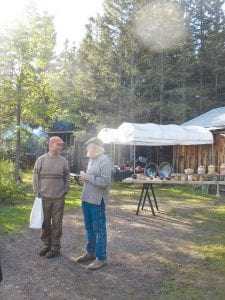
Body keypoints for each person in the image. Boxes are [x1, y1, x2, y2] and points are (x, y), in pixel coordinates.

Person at [76, 137, 111, 270]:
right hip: (86, 199)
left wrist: (87, 177)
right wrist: (84, 177)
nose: (86, 149)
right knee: (89, 228)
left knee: (99, 230)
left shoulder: (104, 160)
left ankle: (101, 258)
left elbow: (105, 182)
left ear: (95, 147)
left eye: (88, 146)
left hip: (97, 201)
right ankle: (90, 252)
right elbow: (91, 179)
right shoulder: (92, 159)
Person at [32, 136, 70, 258]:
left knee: (57, 223)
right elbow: (35, 177)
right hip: (44, 196)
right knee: (45, 222)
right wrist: (37, 191)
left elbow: (67, 176)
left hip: (59, 197)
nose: (60, 147)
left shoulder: (63, 161)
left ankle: (55, 248)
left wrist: (66, 190)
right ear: (51, 144)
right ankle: (46, 245)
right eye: (58, 144)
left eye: (61, 145)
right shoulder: (41, 160)